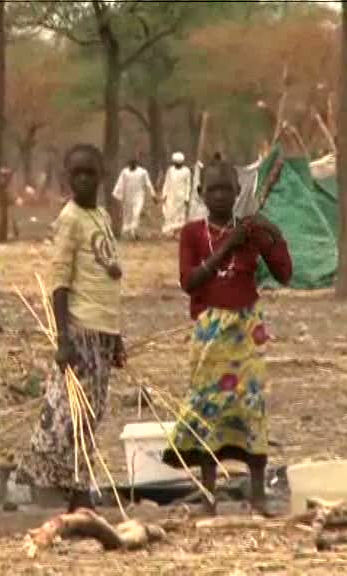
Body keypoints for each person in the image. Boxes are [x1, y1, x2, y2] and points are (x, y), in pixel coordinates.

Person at [161, 157, 292, 516]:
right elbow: (190, 282)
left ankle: (258, 493)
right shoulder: (191, 234)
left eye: (226, 189)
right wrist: (225, 248)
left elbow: (284, 274)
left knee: (253, 408)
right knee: (208, 410)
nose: (220, 196)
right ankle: (207, 495)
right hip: (210, 334)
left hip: (248, 332)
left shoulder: (249, 232)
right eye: (212, 189)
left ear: (237, 192)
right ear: (201, 193)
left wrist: (271, 234)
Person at [15, 144, 126, 512]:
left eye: (89, 173)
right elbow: (59, 283)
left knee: (92, 414)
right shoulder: (70, 219)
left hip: (102, 331)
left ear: (101, 176)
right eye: (76, 173)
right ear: (67, 177)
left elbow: (107, 280)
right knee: (69, 412)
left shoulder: (102, 217)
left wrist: (116, 336)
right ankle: (54, 482)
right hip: (79, 330)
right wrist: (63, 338)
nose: (83, 180)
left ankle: (78, 486)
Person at [112, 158, 156, 240]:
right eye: (130, 165)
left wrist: (153, 195)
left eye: (133, 165)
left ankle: (133, 230)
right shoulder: (124, 172)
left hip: (139, 197)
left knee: (136, 213)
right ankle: (128, 232)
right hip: (127, 197)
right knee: (127, 215)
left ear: (136, 164)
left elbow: (148, 184)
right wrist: (117, 195)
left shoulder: (143, 172)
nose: (131, 166)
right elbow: (120, 183)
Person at [160, 152, 193, 238]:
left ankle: (178, 233)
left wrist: (187, 197)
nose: (177, 165)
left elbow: (188, 185)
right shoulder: (170, 170)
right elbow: (167, 182)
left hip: (181, 197)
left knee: (180, 215)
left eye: (179, 163)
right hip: (171, 195)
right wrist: (164, 194)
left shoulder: (186, 171)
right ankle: (170, 232)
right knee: (170, 213)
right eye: (176, 163)